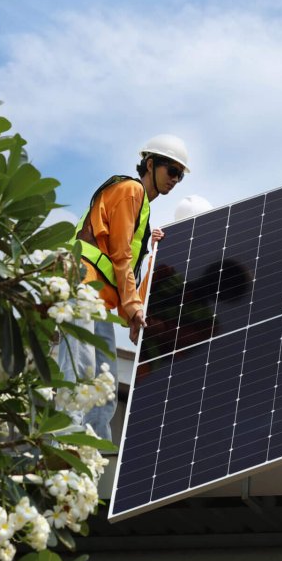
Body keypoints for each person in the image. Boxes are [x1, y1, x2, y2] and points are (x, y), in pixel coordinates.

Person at [58, 134, 189, 440]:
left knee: (104, 384)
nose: (175, 180)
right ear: (151, 164)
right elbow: (120, 254)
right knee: (81, 368)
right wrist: (132, 308)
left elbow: (128, 266)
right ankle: (64, 441)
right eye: (172, 171)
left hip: (99, 302)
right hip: (82, 287)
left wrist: (133, 312)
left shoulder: (142, 211)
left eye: (180, 176)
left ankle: (91, 451)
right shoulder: (130, 191)